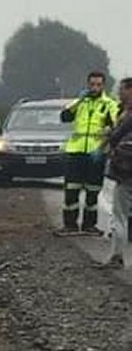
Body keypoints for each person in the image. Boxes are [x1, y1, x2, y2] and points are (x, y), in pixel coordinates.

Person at [56, 72, 120, 236]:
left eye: (98, 85)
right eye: (92, 84)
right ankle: (69, 224)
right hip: (75, 151)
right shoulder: (81, 102)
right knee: (71, 189)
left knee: (93, 191)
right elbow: (64, 117)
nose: (94, 88)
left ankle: (89, 225)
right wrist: (78, 101)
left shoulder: (109, 104)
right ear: (87, 84)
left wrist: (109, 133)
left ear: (103, 86)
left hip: (96, 153)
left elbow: (117, 124)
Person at [96, 78, 132, 269]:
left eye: (122, 89)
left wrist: (106, 139)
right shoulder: (122, 111)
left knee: (119, 216)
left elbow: (116, 136)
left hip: (126, 172)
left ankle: (117, 256)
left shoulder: (128, 115)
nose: (119, 93)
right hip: (125, 170)